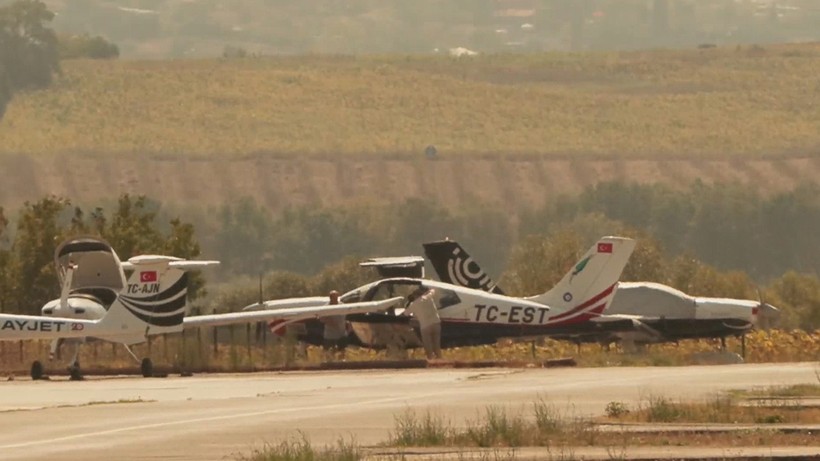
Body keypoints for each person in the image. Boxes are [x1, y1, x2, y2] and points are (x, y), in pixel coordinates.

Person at [404, 286, 442, 360]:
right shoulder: (428, 297)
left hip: (425, 326)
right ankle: (440, 360)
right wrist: (429, 289)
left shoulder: (413, 304)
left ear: (414, 296)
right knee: (436, 345)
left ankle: (430, 360)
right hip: (436, 323)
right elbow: (433, 291)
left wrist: (408, 303)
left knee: (428, 346)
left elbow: (406, 313)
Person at [320, 290, 348, 359]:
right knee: (329, 354)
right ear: (330, 298)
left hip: (341, 334)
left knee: (342, 353)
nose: (335, 299)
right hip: (330, 336)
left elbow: (346, 317)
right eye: (333, 297)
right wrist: (329, 321)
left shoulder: (342, 306)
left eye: (336, 297)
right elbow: (321, 318)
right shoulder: (325, 307)